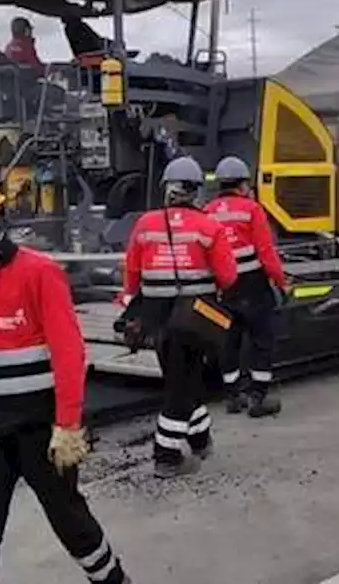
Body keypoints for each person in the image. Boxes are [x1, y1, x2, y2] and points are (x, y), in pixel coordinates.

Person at [0, 169, 130, 584]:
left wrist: (68, 425)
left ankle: (113, 580)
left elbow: (70, 353)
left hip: (40, 429)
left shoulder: (39, 274)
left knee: (70, 520)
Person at [120, 156, 238, 478]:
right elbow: (228, 276)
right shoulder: (209, 226)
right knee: (180, 386)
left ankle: (200, 439)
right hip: (193, 315)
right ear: (197, 191)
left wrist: (130, 301)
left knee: (179, 378)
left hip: (155, 315)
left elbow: (131, 271)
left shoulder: (145, 224)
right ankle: (167, 454)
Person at [204, 155, 288, 417]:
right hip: (253, 286)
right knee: (261, 340)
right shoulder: (251, 209)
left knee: (229, 341)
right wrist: (281, 281)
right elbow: (266, 251)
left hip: (223, 287)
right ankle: (257, 398)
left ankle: (233, 396)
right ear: (242, 185)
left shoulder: (207, 211)